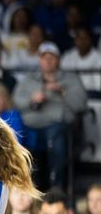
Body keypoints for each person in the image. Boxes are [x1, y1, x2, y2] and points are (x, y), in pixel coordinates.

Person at [12, 41, 87, 190]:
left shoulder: (70, 79)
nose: (48, 60)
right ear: (39, 60)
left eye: (51, 57)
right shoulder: (29, 79)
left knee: (55, 138)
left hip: (57, 125)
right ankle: (25, 187)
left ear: (58, 59)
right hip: (31, 125)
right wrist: (31, 100)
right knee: (15, 135)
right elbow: (15, 101)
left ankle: (56, 187)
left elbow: (81, 104)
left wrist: (63, 92)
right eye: (44, 57)